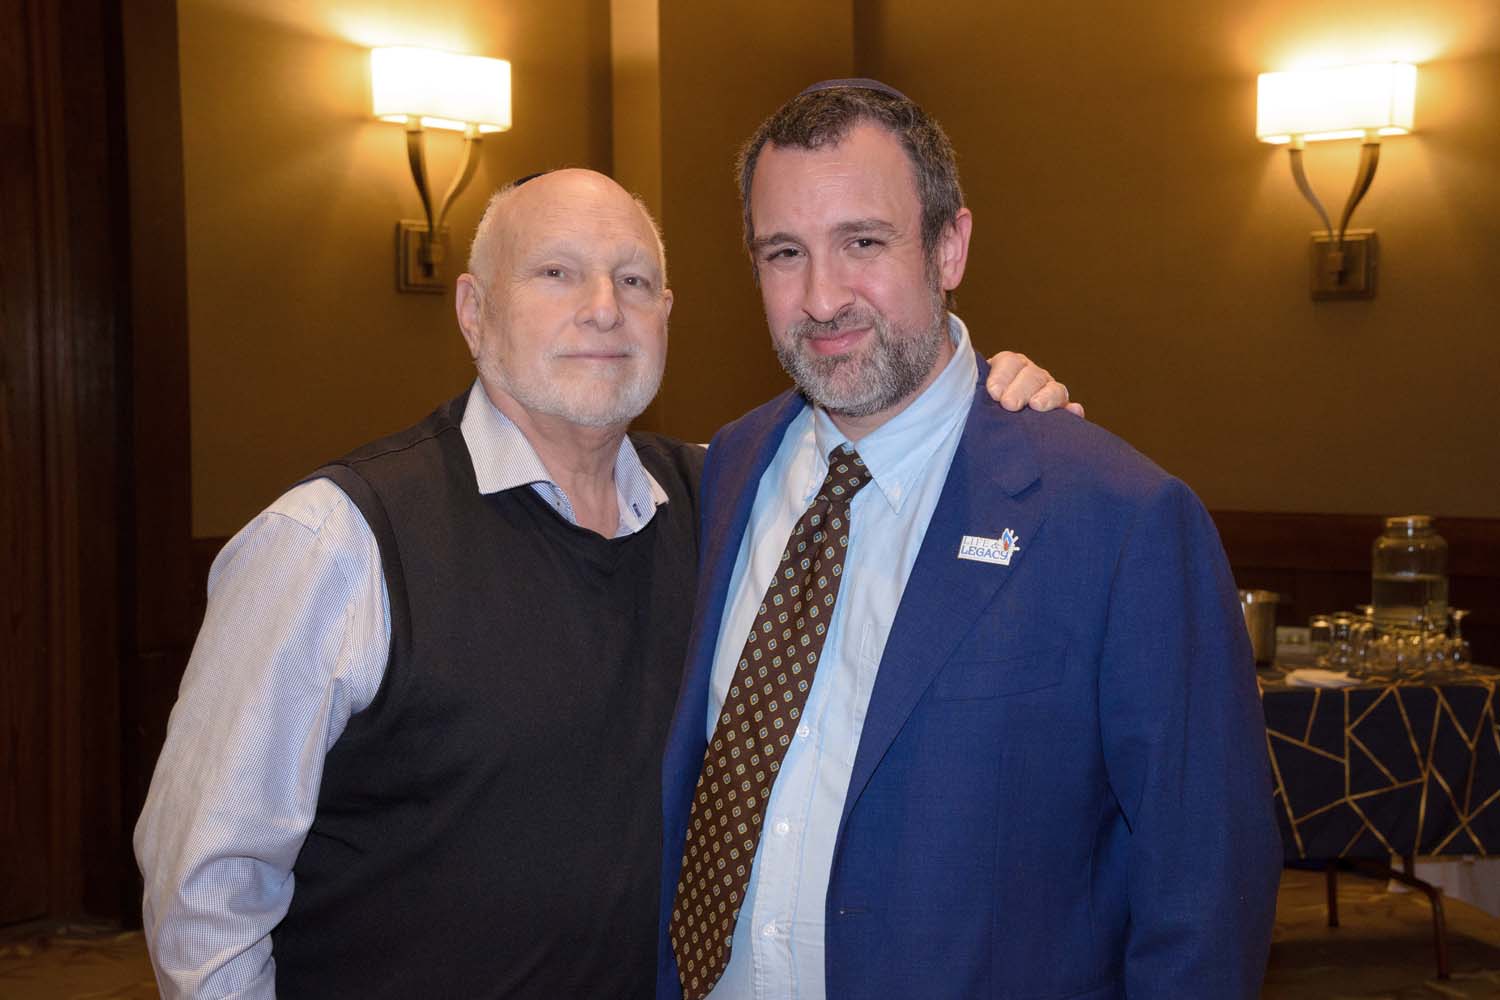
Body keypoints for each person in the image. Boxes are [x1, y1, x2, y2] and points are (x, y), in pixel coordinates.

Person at [134, 167, 1074, 998]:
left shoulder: (729, 505)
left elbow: (892, 474)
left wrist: (991, 405)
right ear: (473, 311)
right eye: (556, 273)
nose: (603, 309)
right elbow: (207, 894)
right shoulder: (333, 543)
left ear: (667, 314)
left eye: (634, 281)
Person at [656, 81, 1282, 1000]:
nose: (821, 297)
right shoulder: (729, 471)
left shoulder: (1116, 519)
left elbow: (1205, 891)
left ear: (949, 246)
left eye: (863, 243)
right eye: (785, 252)